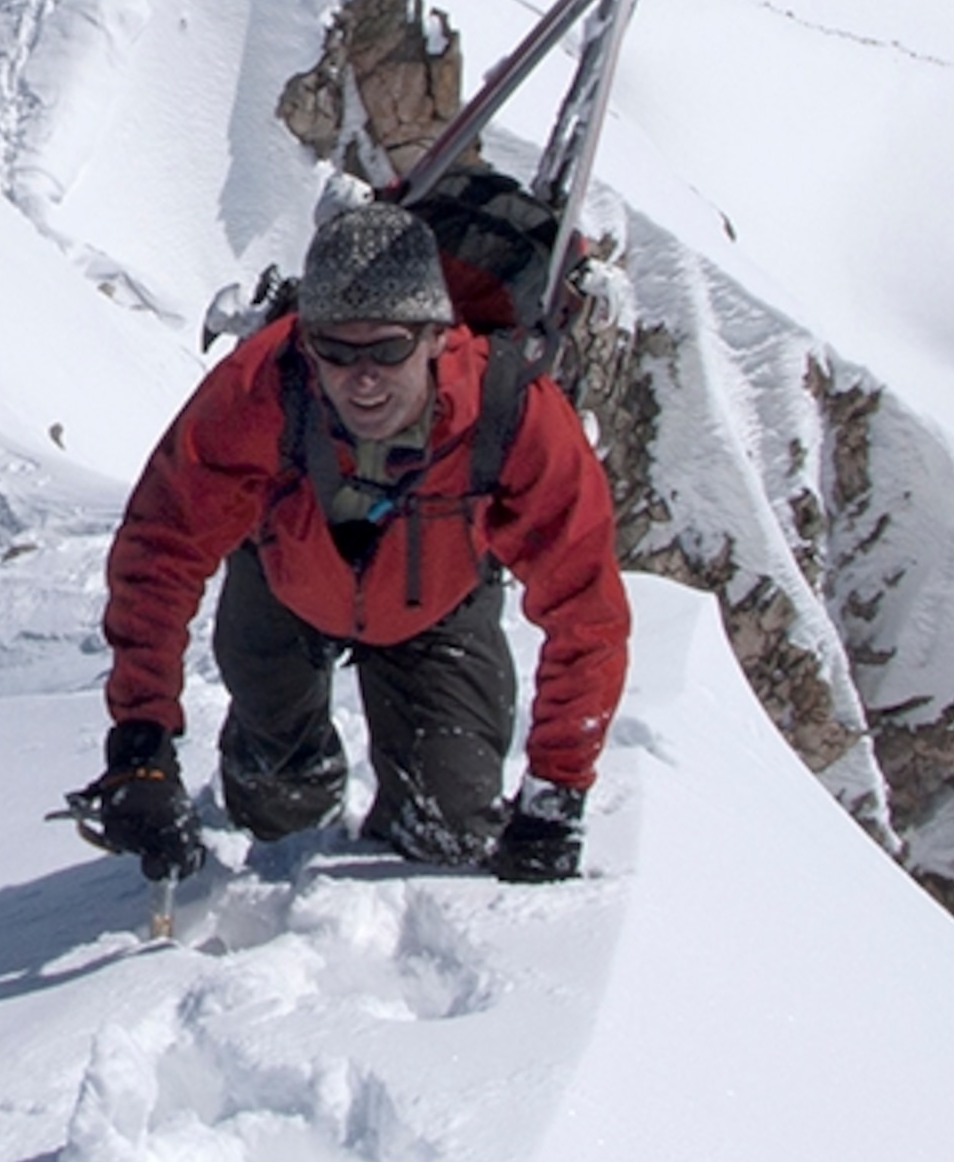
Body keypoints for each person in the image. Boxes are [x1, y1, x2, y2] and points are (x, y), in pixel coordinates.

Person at [81, 200, 629, 883]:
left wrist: (557, 793)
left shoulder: (510, 411)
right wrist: (140, 741)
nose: (362, 375)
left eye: (388, 348)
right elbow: (159, 550)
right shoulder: (261, 390)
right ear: (307, 342)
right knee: (275, 807)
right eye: (336, 350)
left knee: (451, 828)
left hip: (438, 601)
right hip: (285, 583)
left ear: (436, 336)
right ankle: (282, 767)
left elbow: (586, 608)